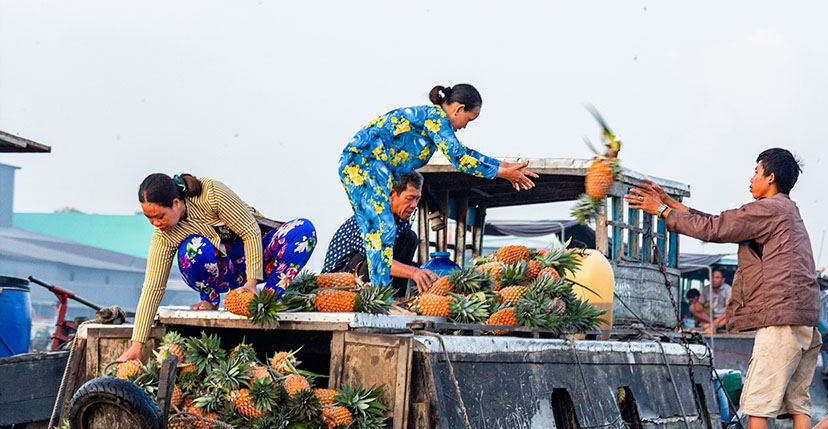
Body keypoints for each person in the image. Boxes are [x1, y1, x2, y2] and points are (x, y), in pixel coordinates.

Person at [626, 148, 820, 429]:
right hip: (803, 318)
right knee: (797, 403)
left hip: (781, 319)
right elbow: (719, 223)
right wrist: (669, 203)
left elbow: (716, 228)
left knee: (757, 402)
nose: (751, 178)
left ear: (770, 177)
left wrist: (664, 211)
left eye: (756, 172)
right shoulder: (786, 209)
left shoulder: (769, 209)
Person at [337, 84, 538, 288]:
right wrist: (502, 174)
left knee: (387, 231)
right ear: (459, 108)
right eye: (469, 119)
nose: (465, 126)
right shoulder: (435, 118)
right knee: (382, 229)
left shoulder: (434, 121)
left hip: (369, 166)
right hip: (362, 163)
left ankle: (383, 295)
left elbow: (465, 152)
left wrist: (504, 167)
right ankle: (381, 296)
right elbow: (459, 159)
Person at [118, 173, 316, 363]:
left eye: (159, 216)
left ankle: (268, 300)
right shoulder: (163, 236)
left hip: (258, 257)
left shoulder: (211, 193)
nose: (155, 223)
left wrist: (251, 283)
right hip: (224, 271)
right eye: (149, 219)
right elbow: (153, 287)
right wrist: (137, 346)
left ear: (176, 203)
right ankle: (210, 299)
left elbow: (250, 231)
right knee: (194, 249)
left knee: (304, 231)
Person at [323, 172, 436, 297]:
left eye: (417, 199)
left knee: (410, 238)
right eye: (409, 199)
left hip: (374, 276)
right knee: (372, 258)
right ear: (392, 194)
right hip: (339, 282)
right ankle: (369, 298)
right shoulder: (370, 217)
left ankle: (397, 298)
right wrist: (414, 272)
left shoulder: (401, 223)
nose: (414, 205)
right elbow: (377, 260)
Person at [706, 268, 731, 333]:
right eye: (712, 277)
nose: (714, 280)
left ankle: (711, 327)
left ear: (723, 279)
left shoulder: (728, 289)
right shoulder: (706, 288)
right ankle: (711, 326)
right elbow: (700, 304)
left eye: (717, 278)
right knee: (693, 307)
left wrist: (717, 321)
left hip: (723, 318)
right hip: (710, 318)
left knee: (731, 315)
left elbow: (730, 309)